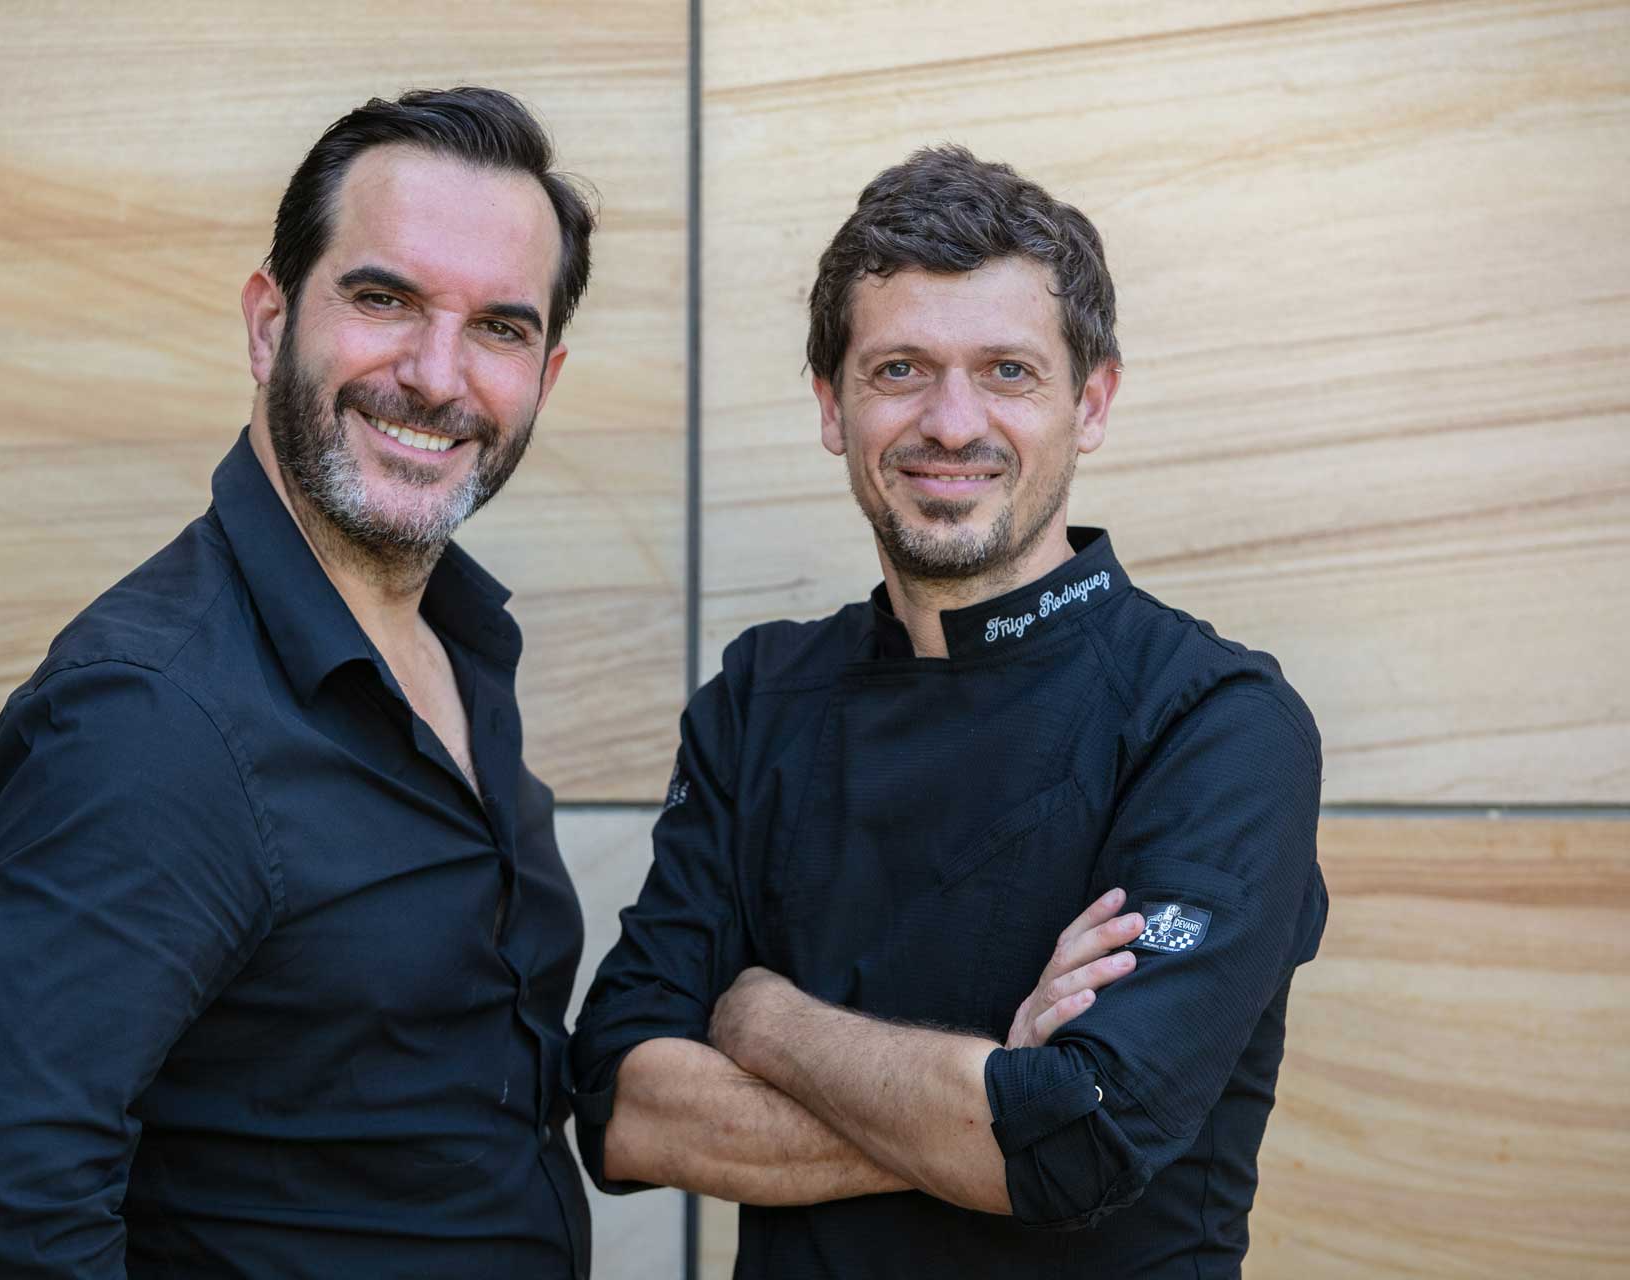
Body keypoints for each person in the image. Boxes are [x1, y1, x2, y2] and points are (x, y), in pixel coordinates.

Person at [568, 146, 1327, 1277]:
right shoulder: (761, 698)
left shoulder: (1215, 722)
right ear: (832, 405)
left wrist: (766, 1020)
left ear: (1092, 401)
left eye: (1009, 371)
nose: (953, 422)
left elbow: (1088, 1135)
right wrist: (992, 1098)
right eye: (900, 370)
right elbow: (622, 1106)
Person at [0, 87, 598, 1278]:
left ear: (546, 373)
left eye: (498, 326)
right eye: (384, 299)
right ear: (270, 323)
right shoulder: (156, 715)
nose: (437, 375)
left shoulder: (459, 642)